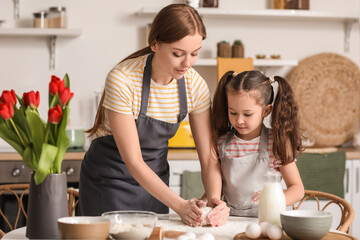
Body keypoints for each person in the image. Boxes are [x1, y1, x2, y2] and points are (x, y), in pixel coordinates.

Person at [79, 3, 229, 227]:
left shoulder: (194, 85)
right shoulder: (123, 79)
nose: (187, 64)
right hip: (111, 181)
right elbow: (134, 161)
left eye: (195, 54)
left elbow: (208, 157)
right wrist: (180, 206)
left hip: (157, 187)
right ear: (155, 44)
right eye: (178, 54)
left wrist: (214, 199)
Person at [211, 70, 305, 217]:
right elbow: (218, 188)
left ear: (266, 111)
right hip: (231, 219)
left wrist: (275, 198)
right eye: (233, 113)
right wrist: (208, 201)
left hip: (268, 219)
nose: (239, 120)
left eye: (247, 114)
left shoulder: (276, 143)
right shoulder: (222, 142)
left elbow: (297, 189)